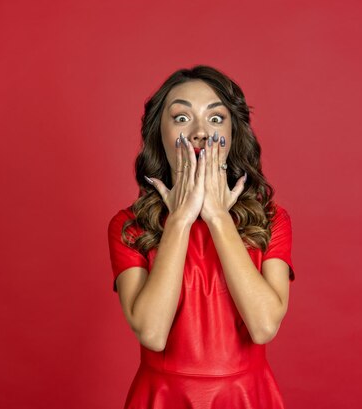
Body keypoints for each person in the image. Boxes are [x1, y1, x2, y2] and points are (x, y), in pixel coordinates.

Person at [107, 65, 295, 409]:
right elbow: (152, 333)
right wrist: (179, 220)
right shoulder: (129, 226)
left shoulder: (270, 219)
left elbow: (264, 326)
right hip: (164, 398)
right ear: (158, 134)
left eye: (215, 119)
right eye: (181, 118)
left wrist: (218, 218)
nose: (199, 133)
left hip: (246, 397)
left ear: (233, 133)